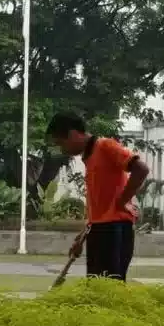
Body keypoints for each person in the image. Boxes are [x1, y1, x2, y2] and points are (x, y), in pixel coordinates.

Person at [46, 113, 150, 280]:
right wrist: (83, 235)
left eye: (61, 143)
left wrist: (122, 201)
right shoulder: (90, 157)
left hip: (114, 228)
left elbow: (141, 169)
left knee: (108, 289)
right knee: (96, 286)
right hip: (101, 229)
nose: (62, 150)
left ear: (73, 134)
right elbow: (100, 206)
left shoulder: (105, 146)